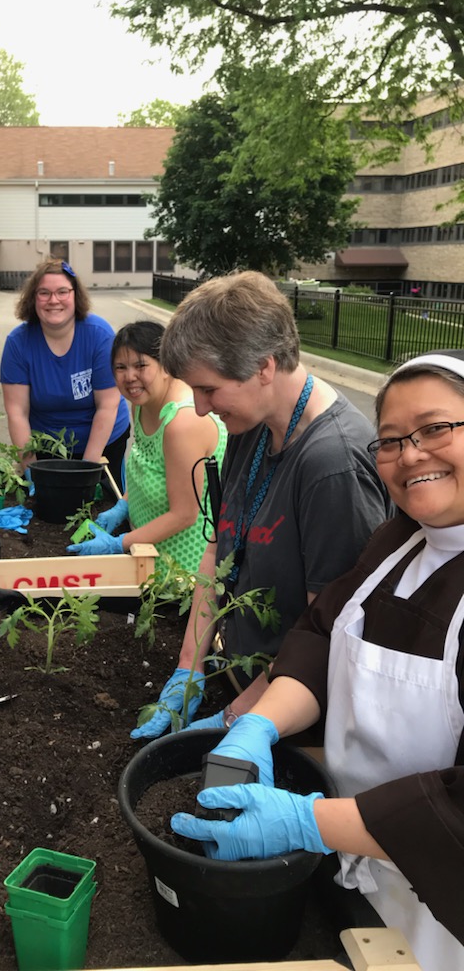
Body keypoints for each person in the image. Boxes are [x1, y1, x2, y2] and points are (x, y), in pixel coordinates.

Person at [171, 350, 464, 969]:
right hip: (354, 862)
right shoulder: (399, 541)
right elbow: (319, 635)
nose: (411, 455)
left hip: (441, 908)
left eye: (436, 429)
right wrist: (256, 724)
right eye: (390, 441)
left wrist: (308, 823)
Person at [132, 271, 391, 739]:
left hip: (289, 716)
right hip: (238, 677)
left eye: (208, 389)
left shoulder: (333, 466)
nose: (199, 407)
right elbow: (219, 549)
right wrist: (189, 669)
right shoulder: (250, 425)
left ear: (264, 367)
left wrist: (241, 719)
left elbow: (325, 635)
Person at [67, 320, 228, 569]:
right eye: (120, 367)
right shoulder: (142, 404)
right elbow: (149, 469)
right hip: (145, 550)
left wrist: (118, 544)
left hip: (182, 568)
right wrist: (124, 505)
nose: (130, 377)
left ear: (166, 366)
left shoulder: (182, 423)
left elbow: (184, 514)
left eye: (141, 365)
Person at [0, 258, 130, 492]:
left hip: (103, 441)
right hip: (47, 447)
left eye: (62, 292)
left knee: (102, 503)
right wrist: (31, 470)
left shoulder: (99, 335)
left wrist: (85, 473)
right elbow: (17, 412)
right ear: (33, 298)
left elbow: (107, 406)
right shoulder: (18, 343)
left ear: (75, 295)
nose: (53, 300)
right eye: (44, 293)